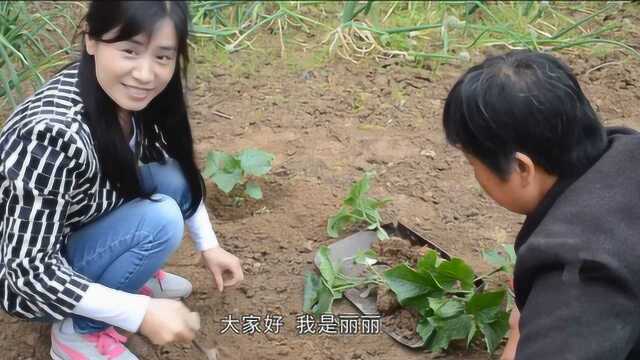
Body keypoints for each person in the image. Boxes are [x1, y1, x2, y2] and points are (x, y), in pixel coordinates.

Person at [0, 2, 244, 359]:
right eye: (129, 50)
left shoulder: (127, 97)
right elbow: (27, 273)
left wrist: (209, 245)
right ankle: (78, 335)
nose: (146, 74)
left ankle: (125, 278)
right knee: (161, 220)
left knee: (171, 177)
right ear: (91, 41)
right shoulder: (50, 135)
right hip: (28, 280)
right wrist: (139, 313)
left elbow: (175, 168)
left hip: (76, 222)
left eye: (163, 57)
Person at [443, 50, 640, 359]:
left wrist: (529, 329)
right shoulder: (629, 152)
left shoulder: (579, 274)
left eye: (472, 162)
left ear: (522, 168)